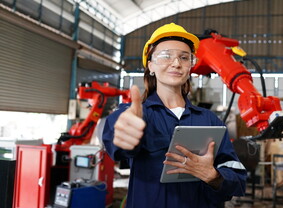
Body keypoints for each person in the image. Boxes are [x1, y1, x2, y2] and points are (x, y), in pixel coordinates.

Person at [102, 23, 247, 208]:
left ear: (190, 67)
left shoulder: (209, 120)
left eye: (184, 57)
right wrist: (123, 132)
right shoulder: (136, 114)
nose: (176, 63)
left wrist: (213, 176)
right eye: (165, 56)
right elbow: (116, 138)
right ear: (150, 65)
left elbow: (238, 179)